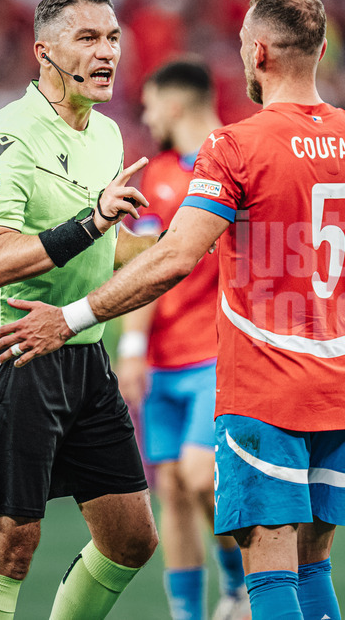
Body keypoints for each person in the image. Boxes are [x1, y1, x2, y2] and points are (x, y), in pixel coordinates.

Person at [0, 0, 345, 620]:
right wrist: (339, 353)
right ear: (320, 52)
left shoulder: (236, 146)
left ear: (258, 53)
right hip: (343, 389)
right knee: (314, 564)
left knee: (269, 566)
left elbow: (175, 257)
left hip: (266, 389)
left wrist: (69, 318)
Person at [0, 0, 159, 619]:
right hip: (12, 353)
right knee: (8, 548)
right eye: (88, 38)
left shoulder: (107, 135)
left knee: (131, 538)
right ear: (44, 51)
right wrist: (92, 221)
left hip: (81, 351)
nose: (107, 52)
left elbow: (106, 247)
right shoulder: (9, 137)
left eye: (113, 38)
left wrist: (185, 243)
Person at [117, 60, 249, 620]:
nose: (146, 118)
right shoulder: (157, 178)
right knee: (170, 490)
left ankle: (238, 587)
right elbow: (144, 268)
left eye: (149, 105)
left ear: (173, 104)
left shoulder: (240, 161)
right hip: (163, 359)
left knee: (200, 478)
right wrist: (132, 348)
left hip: (217, 352)